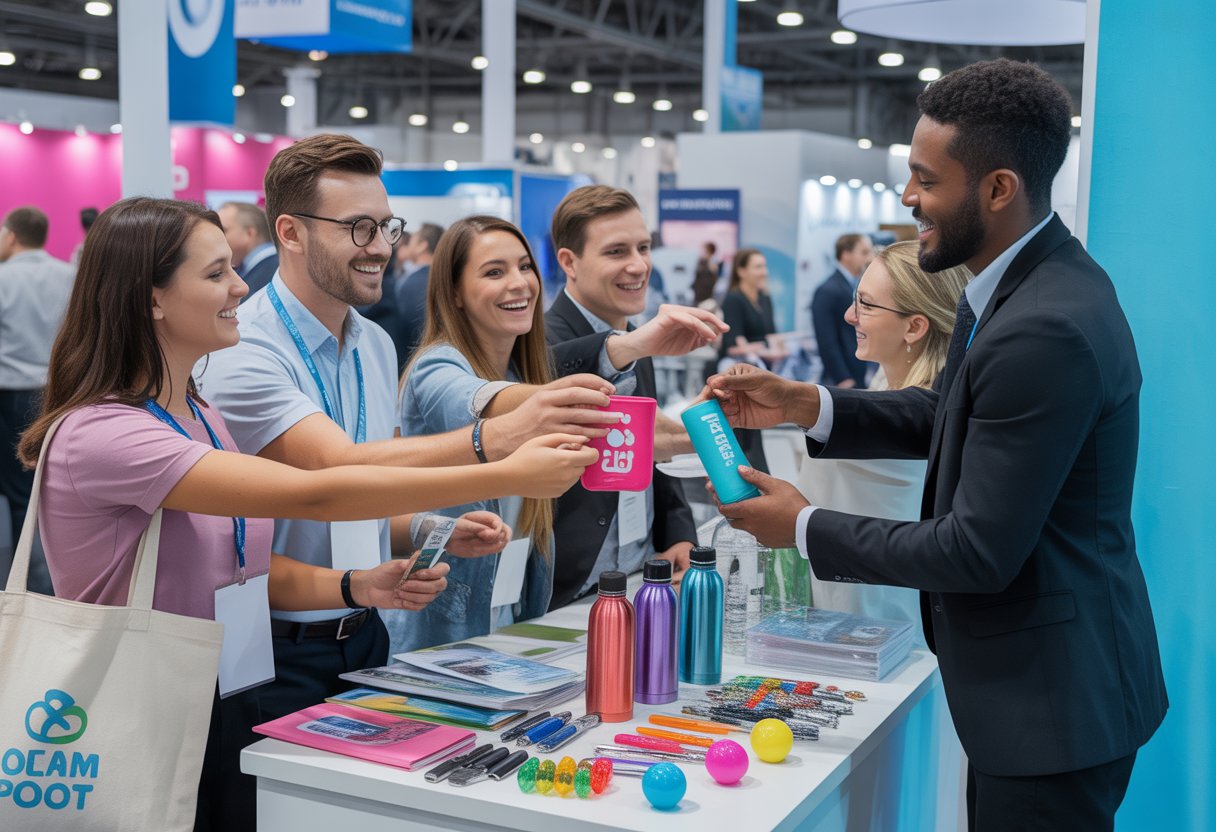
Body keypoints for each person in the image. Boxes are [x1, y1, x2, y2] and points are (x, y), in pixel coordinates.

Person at [18, 197, 595, 831]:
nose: (240, 285)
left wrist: (355, 585)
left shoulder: (199, 413)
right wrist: (504, 467)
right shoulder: (105, 433)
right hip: (146, 700)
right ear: (151, 297)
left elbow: (240, 566)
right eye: (215, 275)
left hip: (225, 688)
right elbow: (313, 490)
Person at [706, 59, 1167, 831]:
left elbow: (976, 553)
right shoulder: (1024, 288)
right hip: (1044, 689)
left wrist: (804, 527)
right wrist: (809, 406)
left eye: (926, 180)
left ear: (997, 189)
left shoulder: (1042, 324)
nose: (907, 199)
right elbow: (950, 413)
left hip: (1053, 702)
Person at [197, 134, 612, 732]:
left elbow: (357, 501)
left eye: (388, 228)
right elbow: (333, 469)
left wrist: (426, 528)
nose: (380, 249)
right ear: (291, 233)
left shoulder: (373, 342)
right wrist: (495, 444)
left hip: (367, 632)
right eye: (358, 228)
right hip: (271, 645)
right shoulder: (245, 348)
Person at [545, 185, 728, 608]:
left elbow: (649, 451)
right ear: (569, 262)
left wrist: (679, 531)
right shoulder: (538, 345)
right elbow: (553, 378)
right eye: (616, 251)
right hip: (566, 586)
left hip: (639, 576)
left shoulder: (637, 340)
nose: (638, 265)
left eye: (643, 247)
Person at [393, 216, 568, 651]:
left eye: (525, 267)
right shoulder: (435, 368)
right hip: (442, 636)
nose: (520, 283)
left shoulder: (523, 371)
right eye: (494, 272)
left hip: (513, 624)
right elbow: (475, 399)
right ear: (454, 292)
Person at [799, 240, 969, 632]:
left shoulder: (919, 417)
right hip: (850, 618)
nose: (849, 315)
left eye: (866, 305)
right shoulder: (883, 385)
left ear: (914, 327)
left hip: (883, 628)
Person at [0, 206, 75, 587]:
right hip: (61, 392)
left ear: (12, 236)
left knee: (18, 495)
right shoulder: (70, 274)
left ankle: (24, 584)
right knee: (54, 487)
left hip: (11, 396)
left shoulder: (2, 278)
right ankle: (51, 580)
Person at [718, 247, 782, 474]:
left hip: (760, 373)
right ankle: (741, 479)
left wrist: (775, 349)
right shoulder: (734, 300)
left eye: (764, 266)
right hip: (738, 374)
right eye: (758, 267)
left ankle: (758, 477)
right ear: (741, 271)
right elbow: (732, 345)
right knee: (741, 431)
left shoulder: (764, 298)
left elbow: (770, 336)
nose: (763, 272)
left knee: (756, 430)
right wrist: (762, 350)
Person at [811, 233, 874, 388]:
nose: (870, 258)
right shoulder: (828, 290)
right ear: (846, 255)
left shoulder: (854, 285)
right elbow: (826, 340)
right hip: (843, 379)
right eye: (864, 252)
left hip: (858, 373)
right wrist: (842, 378)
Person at [393, 221, 444, 368]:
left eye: (413, 241)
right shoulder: (444, 279)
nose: (407, 246)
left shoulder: (413, 284)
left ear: (422, 245)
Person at [216, 201, 277, 296]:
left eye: (223, 230)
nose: (216, 237)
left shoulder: (274, 270)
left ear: (250, 233)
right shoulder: (272, 266)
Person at [692, 240, 719, 305]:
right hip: (699, 290)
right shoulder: (701, 261)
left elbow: (713, 272)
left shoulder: (713, 261)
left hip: (706, 291)